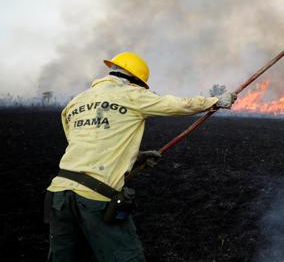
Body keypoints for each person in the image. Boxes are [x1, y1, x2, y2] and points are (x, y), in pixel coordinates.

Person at [44, 51, 236, 261]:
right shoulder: (131, 94)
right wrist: (216, 101)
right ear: (134, 80)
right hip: (95, 198)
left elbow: (86, 143)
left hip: (59, 195)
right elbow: (178, 105)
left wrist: (137, 156)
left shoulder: (74, 103)